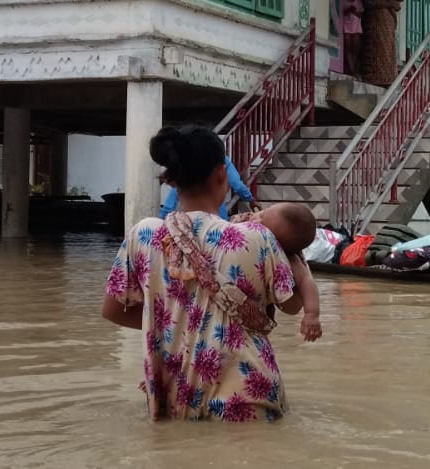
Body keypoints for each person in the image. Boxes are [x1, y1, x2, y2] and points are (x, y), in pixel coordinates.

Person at [102, 125, 313, 422]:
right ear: (221, 175)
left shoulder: (143, 236)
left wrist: (174, 320)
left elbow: (113, 311)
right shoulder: (256, 237)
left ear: (172, 180)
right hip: (247, 397)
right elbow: (292, 306)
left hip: (175, 397)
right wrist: (300, 266)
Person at [231, 203, 322, 340]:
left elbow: (306, 281)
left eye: (263, 227)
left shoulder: (290, 259)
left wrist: (311, 314)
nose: (255, 221)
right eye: (263, 214)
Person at [159, 155, 261, 220]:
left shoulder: (187, 164)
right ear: (222, 173)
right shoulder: (222, 161)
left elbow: (169, 204)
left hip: (190, 221)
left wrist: (160, 224)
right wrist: (250, 199)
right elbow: (237, 186)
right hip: (217, 218)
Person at [361, 0, 402, 87]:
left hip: (388, 20)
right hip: (376, 18)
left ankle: (387, 79)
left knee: (388, 51)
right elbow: (369, 3)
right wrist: (390, 4)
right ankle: (376, 78)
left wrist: (393, 4)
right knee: (378, 49)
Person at [342, 0, 365, 77]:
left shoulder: (358, 2)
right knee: (348, 49)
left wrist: (354, 12)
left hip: (356, 27)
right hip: (346, 26)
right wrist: (348, 10)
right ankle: (351, 70)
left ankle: (354, 69)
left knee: (354, 50)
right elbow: (340, 12)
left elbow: (361, 14)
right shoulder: (343, 1)